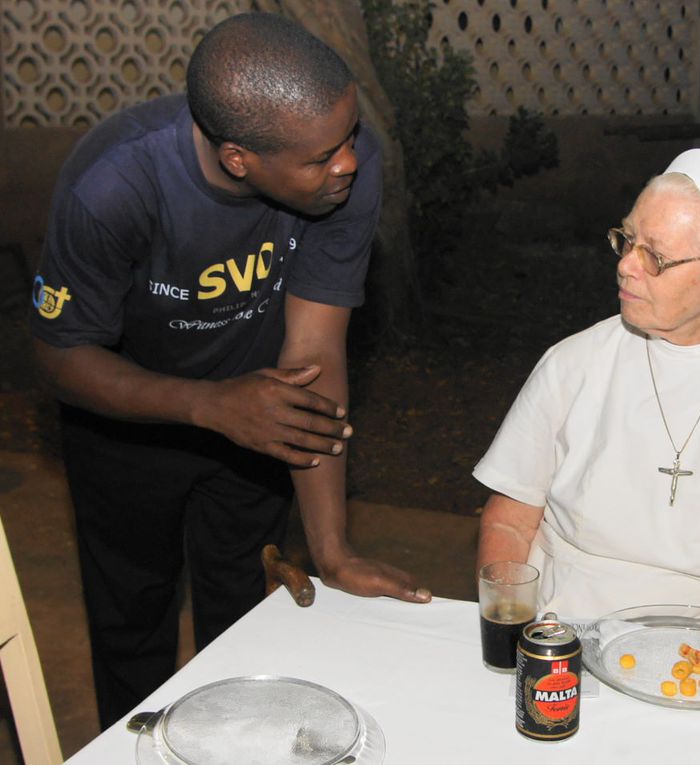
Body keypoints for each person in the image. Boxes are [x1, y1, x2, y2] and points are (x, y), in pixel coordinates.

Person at [29, 12, 430, 729]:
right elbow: (60, 355)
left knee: (244, 618)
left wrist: (332, 550)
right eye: (320, 156)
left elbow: (312, 358)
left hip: (257, 420)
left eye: (349, 137)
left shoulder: (342, 175)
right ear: (239, 157)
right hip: (128, 426)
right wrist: (208, 404)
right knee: (133, 624)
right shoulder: (114, 185)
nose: (347, 163)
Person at [473, 148, 700, 630]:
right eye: (627, 240)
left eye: (655, 256)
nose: (627, 265)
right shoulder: (571, 364)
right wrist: (514, 624)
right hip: (558, 624)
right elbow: (509, 521)